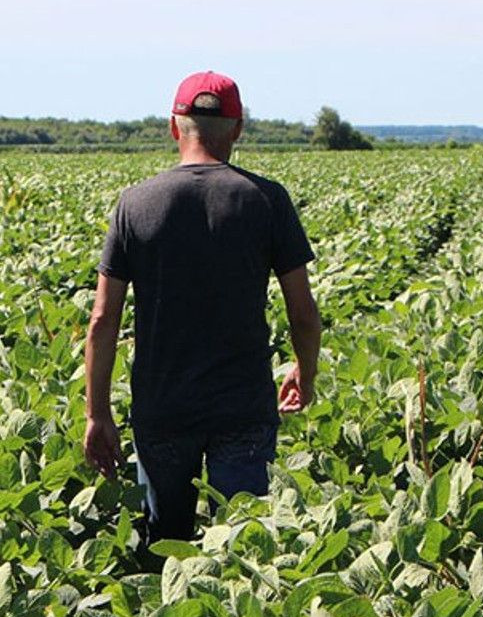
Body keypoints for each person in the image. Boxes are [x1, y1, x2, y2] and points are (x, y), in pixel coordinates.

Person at [83, 70, 322, 543]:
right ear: (237, 129)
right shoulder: (267, 200)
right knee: (246, 551)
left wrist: (98, 414)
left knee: (164, 552)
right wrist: (304, 372)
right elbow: (304, 313)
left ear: (174, 126)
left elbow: (102, 320)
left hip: (163, 407)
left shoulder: (135, 204)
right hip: (243, 407)